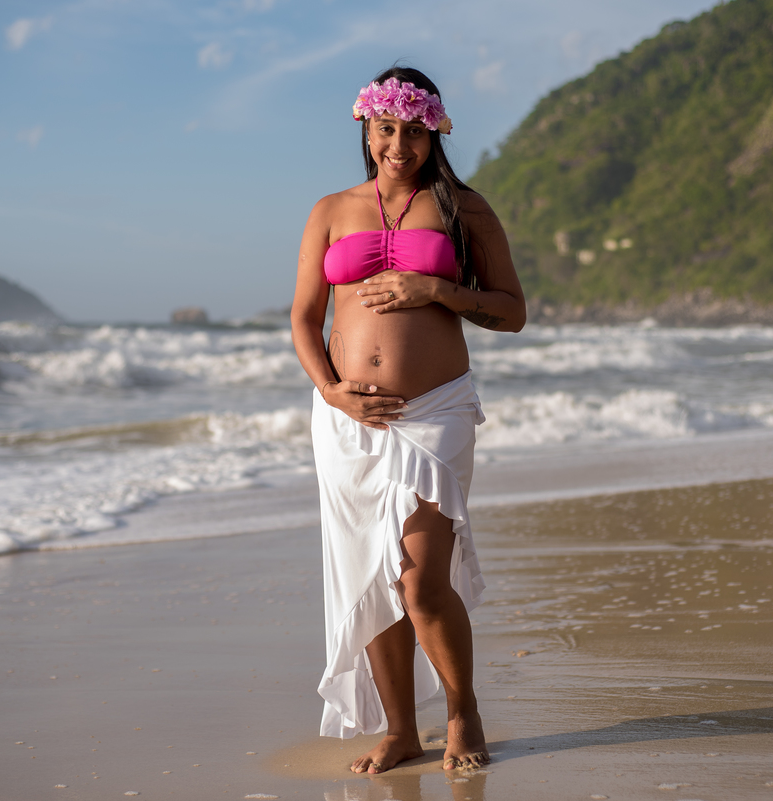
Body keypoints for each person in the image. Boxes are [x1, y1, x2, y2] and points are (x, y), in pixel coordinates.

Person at [291, 65, 526, 774]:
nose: (400, 144)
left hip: (437, 410)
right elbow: (304, 320)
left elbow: (511, 310)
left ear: (434, 132)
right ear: (367, 126)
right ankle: (400, 730)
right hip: (346, 420)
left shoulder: (464, 208)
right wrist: (332, 390)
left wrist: (439, 289)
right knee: (369, 571)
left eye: (415, 131)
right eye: (388, 128)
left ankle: (463, 710)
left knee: (422, 580)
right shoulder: (330, 208)